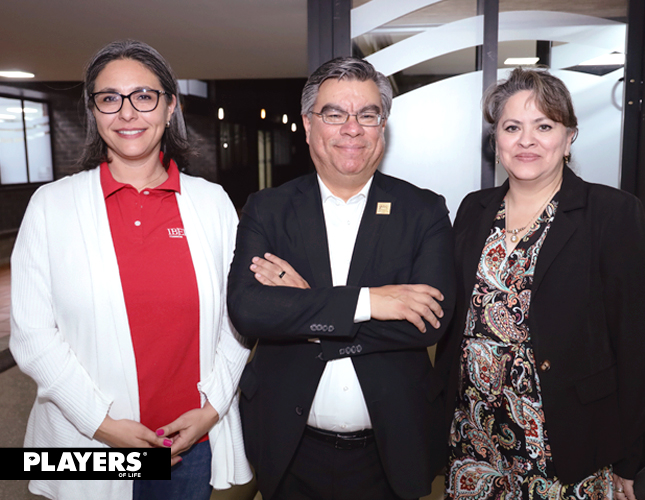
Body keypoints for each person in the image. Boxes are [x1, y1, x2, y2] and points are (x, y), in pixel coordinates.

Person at [10, 40, 252, 500]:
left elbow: (237, 318)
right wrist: (100, 423)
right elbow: (32, 334)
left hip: (186, 442)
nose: (127, 113)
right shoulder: (51, 206)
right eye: (109, 99)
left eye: (144, 96)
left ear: (169, 105)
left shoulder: (212, 204)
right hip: (85, 441)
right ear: (94, 111)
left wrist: (212, 407)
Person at [227, 57, 455, 500]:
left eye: (368, 114)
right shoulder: (268, 208)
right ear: (309, 125)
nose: (353, 128)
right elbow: (250, 310)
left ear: (382, 127)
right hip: (289, 447)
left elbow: (428, 322)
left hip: (391, 449)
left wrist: (305, 310)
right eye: (334, 113)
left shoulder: (423, 211)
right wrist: (369, 302)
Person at [436, 68, 645, 500]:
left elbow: (639, 350)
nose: (527, 140)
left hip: (568, 450)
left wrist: (633, 458)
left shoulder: (612, 214)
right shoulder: (472, 210)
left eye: (544, 126)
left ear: (569, 136)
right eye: (512, 127)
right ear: (496, 140)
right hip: (473, 443)